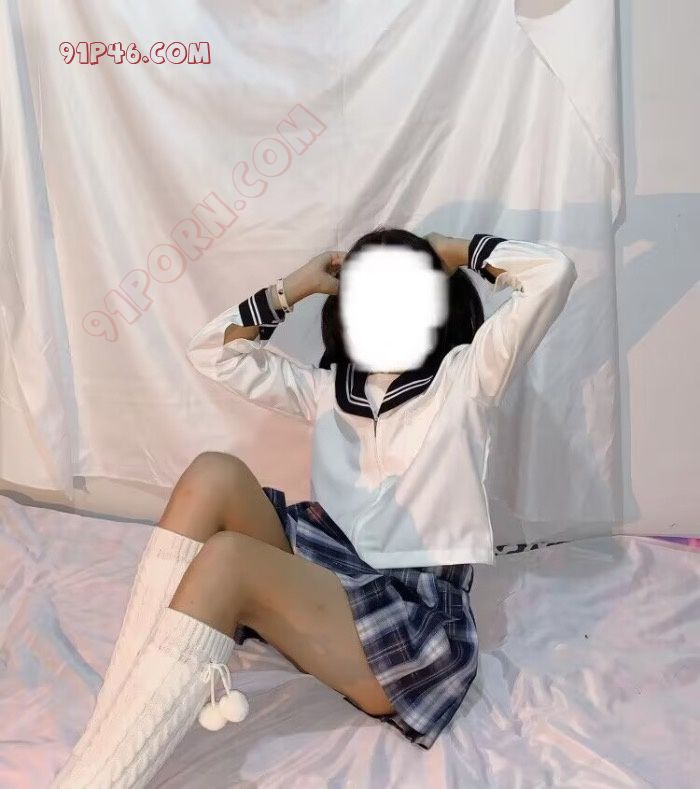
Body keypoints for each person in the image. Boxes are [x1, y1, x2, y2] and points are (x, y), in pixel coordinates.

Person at [51, 228, 577, 787]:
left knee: (228, 557)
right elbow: (212, 352)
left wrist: (454, 251)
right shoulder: (328, 388)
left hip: (407, 631)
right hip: (327, 577)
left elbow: (553, 273)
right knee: (213, 473)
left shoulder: (468, 377)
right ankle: (118, 711)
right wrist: (292, 289)